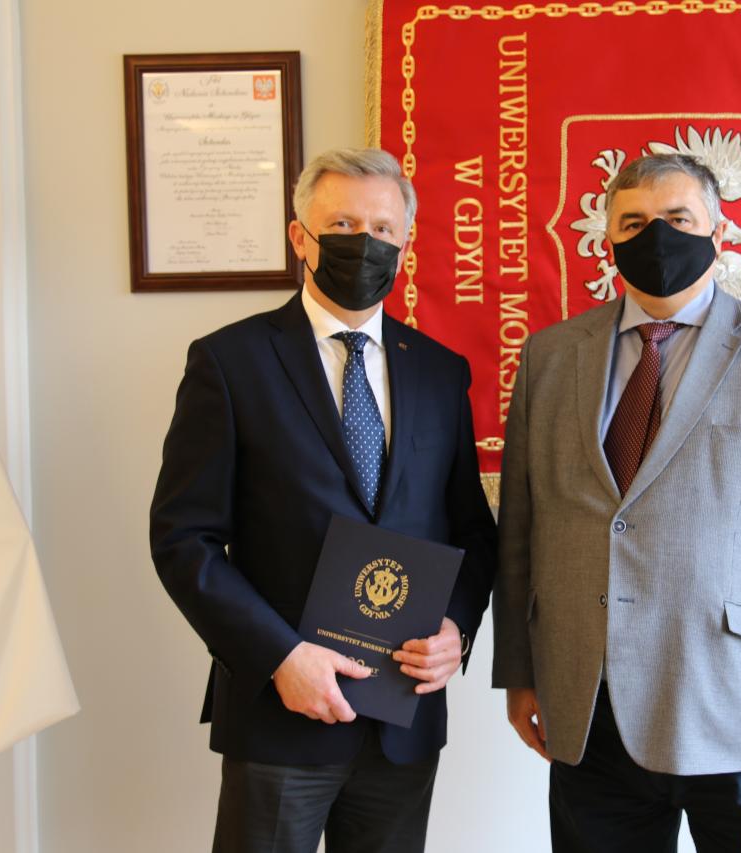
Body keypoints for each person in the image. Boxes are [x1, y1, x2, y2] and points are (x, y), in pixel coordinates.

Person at [492, 153, 741, 852]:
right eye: (633, 223)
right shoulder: (549, 358)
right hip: (591, 709)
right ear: (607, 239)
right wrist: (520, 672)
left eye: (677, 219)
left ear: (719, 231)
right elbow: (522, 532)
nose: (656, 236)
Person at [150, 147, 496, 853]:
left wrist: (457, 629)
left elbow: (471, 529)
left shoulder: (439, 372)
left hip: (402, 720)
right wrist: (281, 656)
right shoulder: (229, 362)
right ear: (300, 236)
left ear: (405, 244)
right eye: (342, 224)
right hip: (280, 713)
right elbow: (184, 539)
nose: (364, 243)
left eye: (382, 229)